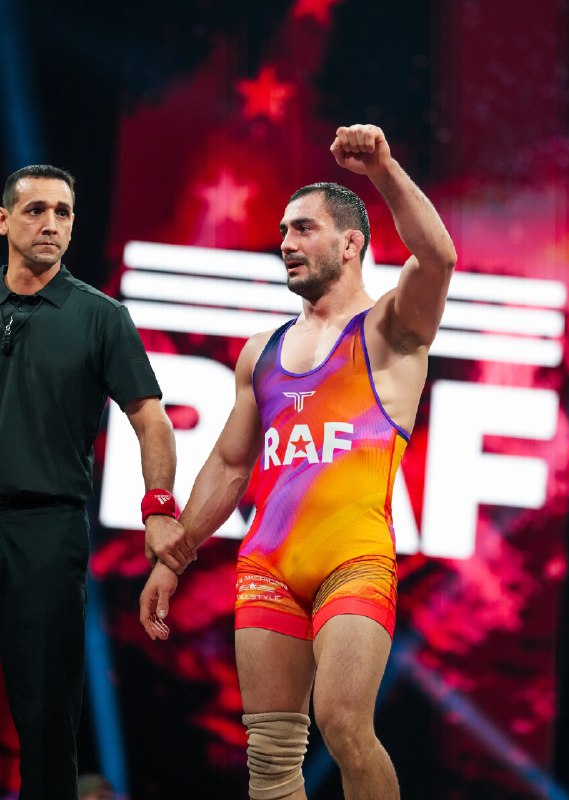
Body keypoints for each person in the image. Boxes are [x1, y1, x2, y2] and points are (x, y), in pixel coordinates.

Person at [139, 124, 456, 799]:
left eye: (304, 229)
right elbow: (230, 466)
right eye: (283, 230)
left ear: (350, 243)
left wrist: (384, 170)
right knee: (272, 758)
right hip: (268, 566)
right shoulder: (262, 351)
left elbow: (438, 257)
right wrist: (174, 558)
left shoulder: (391, 329)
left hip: (353, 559)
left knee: (344, 725)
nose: (285, 242)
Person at [0, 164, 193, 800]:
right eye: (35, 210)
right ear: (4, 220)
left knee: (45, 716)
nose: (51, 223)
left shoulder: (101, 316)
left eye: (63, 212)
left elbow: (152, 421)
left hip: (45, 531)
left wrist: (159, 507)